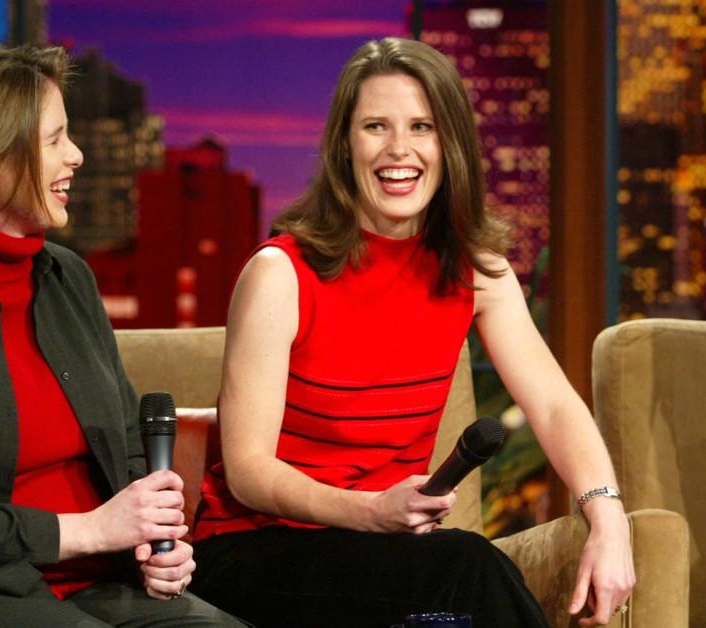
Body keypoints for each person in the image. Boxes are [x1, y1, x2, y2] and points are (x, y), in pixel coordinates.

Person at [187, 37, 636, 627]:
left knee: (448, 578)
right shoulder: (281, 274)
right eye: (376, 126)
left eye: (422, 127)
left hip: (383, 551)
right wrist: (369, 510)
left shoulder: (477, 272)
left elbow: (552, 405)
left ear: (450, 145)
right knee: (465, 569)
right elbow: (247, 470)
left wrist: (608, 521)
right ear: (344, 146)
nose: (400, 149)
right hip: (255, 551)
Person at [0, 41, 245, 628]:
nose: (77, 155)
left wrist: (149, 539)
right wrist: (87, 530)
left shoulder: (68, 279)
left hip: (98, 579)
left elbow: (123, 438)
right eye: (54, 139)